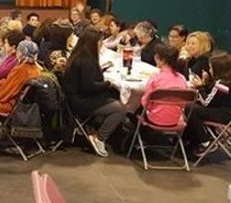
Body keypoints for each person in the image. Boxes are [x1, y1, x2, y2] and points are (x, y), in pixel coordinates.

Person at [61, 27, 126, 157]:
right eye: (100, 41)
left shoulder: (79, 55)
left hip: (76, 97)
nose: (102, 44)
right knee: (121, 108)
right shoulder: (86, 60)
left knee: (115, 96)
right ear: (93, 42)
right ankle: (100, 138)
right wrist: (108, 84)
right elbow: (88, 87)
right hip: (81, 101)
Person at [185, 54, 231, 157]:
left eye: (211, 68)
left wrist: (200, 87)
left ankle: (205, 142)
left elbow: (207, 102)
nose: (209, 70)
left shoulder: (221, 85)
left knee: (190, 108)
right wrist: (207, 84)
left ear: (217, 70)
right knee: (195, 105)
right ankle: (203, 136)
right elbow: (216, 98)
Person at [139, 44, 189, 127]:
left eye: (156, 56)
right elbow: (183, 104)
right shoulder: (182, 78)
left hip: (154, 119)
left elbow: (145, 103)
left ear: (162, 60)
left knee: (134, 110)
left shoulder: (155, 78)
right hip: (175, 120)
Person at [0, 40, 42, 116]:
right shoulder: (37, 69)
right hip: (21, 104)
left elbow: (6, 92)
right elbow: (10, 83)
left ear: (21, 53)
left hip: (10, 104)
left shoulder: (21, 69)